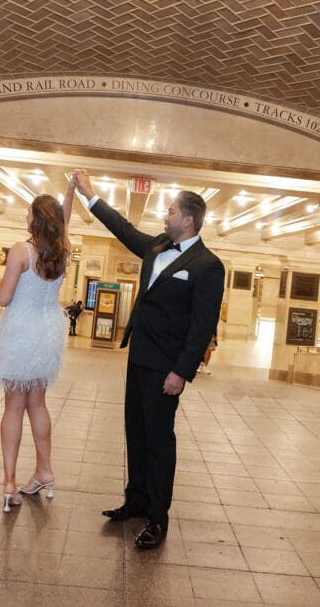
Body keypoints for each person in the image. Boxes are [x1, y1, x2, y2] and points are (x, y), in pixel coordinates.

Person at [73, 169, 224, 550]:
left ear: (188, 220)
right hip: (139, 357)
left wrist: (181, 372)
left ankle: (158, 518)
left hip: (167, 367)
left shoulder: (208, 266)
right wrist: (88, 195)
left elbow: (202, 325)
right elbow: (123, 229)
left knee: (159, 441)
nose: (164, 216)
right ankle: (136, 499)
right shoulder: (157, 246)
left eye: (170, 211)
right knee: (135, 432)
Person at [0, 178, 75, 512]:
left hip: (20, 332)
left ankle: (10, 481)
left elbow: (3, 297)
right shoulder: (63, 251)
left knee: (14, 405)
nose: (25, 215)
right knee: (37, 403)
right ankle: (45, 470)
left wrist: (1, 278)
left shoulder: (20, 251)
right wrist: (69, 193)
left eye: (28, 211)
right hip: (48, 332)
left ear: (35, 220)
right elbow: (64, 222)